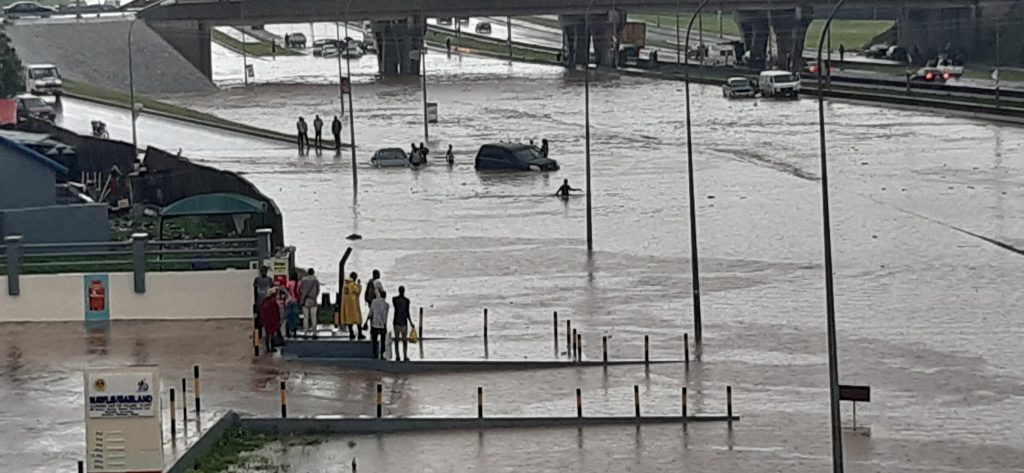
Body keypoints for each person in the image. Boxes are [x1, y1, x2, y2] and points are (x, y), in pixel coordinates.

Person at [341, 272, 365, 339]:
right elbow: (357, 291)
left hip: (347, 305)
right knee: (358, 319)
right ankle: (360, 334)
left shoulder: (345, 284)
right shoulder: (352, 285)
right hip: (353, 305)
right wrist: (359, 284)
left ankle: (351, 333)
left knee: (349, 320)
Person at [367, 290, 390, 360]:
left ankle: (375, 354)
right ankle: (382, 354)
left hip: (374, 324)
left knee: (374, 340)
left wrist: (366, 321)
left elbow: (370, 313)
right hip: (382, 325)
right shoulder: (387, 304)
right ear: (385, 296)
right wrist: (385, 325)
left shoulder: (374, 302)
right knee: (383, 341)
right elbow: (385, 316)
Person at [391, 286, 412, 362]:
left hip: (396, 321)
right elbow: (407, 312)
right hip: (404, 322)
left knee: (397, 340)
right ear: (404, 291)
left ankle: (397, 356)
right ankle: (405, 356)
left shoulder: (394, 299)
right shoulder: (407, 301)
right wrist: (411, 322)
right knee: (404, 340)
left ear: (398, 291)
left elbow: (396, 308)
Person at [259, 289, 282, 353]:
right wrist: (278, 321)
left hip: (266, 321)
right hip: (273, 321)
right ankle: (272, 348)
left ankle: (267, 349)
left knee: (267, 334)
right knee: (272, 334)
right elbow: (276, 312)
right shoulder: (273, 301)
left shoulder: (264, 301)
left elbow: (262, 311)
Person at [298, 268, 320, 333]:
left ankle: (305, 331)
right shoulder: (316, 280)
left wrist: (304, 296)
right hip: (313, 300)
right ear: (313, 273)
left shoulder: (303, 280)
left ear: (307, 272)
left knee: (305, 317)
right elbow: (318, 290)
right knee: (314, 317)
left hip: (305, 300)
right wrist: (314, 296)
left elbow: (301, 289)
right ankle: (314, 331)